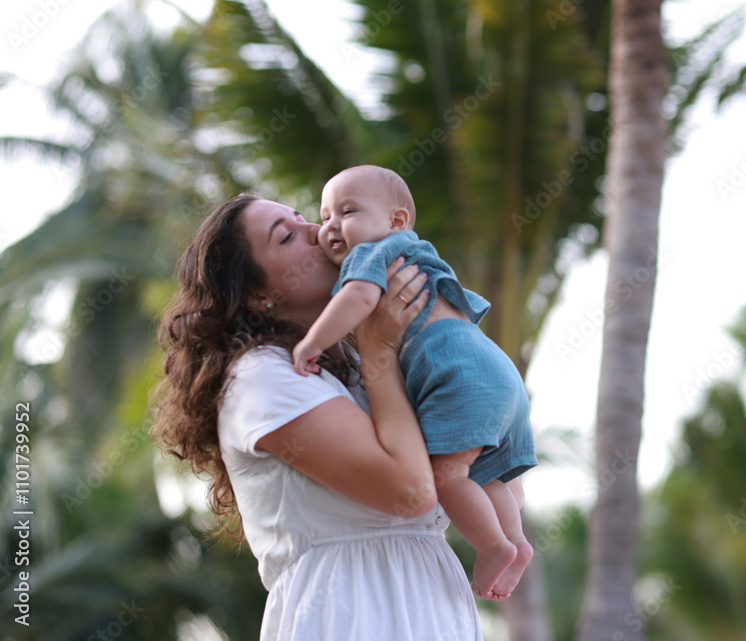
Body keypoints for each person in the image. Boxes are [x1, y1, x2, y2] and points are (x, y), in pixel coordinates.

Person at [151, 193, 482, 640]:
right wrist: (380, 347)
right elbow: (413, 490)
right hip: (345, 610)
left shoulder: (354, 360)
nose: (318, 231)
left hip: (431, 601)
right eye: (286, 237)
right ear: (258, 295)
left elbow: (483, 460)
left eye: (304, 219)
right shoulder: (261, 376)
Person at [292, 165, 536, 600]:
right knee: (487, 475)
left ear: (397, 220)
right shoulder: (418, 252)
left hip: (457, 375)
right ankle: (516, 541)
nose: (330, 226)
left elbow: (359, 297)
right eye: (325, 216)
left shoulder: (372, 253)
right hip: (496, 370)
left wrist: (313, 342)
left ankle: (493, 546)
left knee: (447, 476)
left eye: (347, 212)